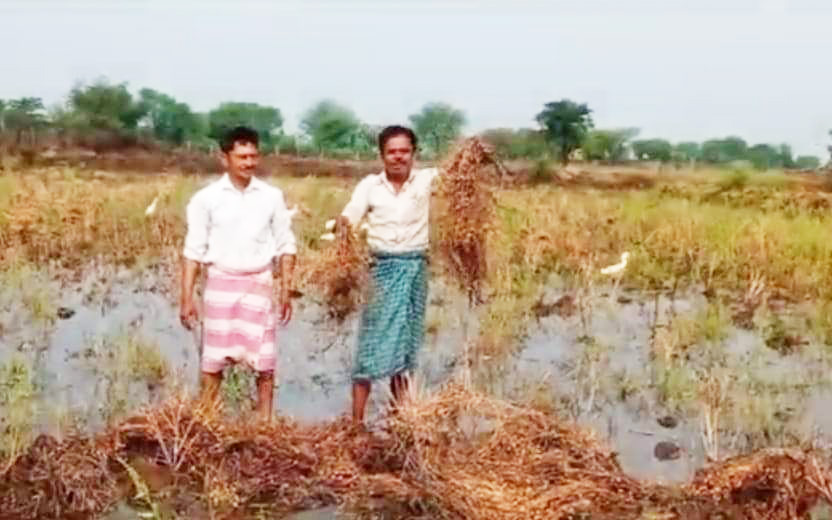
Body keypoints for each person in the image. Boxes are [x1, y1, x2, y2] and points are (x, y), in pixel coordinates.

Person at [180, 126, 296, 420]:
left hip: (259, 284)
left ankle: (265, 426)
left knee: (265, 364)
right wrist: (186, 298)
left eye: (253, 156)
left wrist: (286, 292)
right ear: (225, 158)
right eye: (241, 157)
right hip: (221, 284)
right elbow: (193, 251)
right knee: (213, 362)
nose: (248, 163)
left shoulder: (271, 196)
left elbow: (286, 245)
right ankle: (208, 421)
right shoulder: (205, 199)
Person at [336, 125, 440, 423]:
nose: (398, 157)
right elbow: (351, 214)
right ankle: (356, 423)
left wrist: (476, 152)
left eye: (404, 151)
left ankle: (400, 419)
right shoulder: (370, 186)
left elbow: (461, 178)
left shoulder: (427, 181)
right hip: (381, 271)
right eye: (392, 152)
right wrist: (343, 230)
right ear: (382, 155)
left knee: (405, 347)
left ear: (413, 154)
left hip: (414, 269)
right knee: (371, 345)